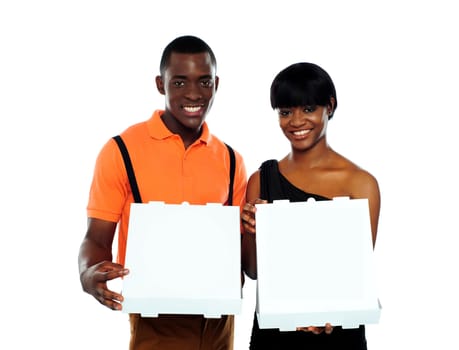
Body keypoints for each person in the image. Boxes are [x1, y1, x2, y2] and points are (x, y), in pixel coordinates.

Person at [78, 35, 247, 350]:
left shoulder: (231, 159)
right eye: (180, 83)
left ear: (217, 84)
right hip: (155, 323)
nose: (194, 94)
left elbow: (242, 251)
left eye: (204, 82)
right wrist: (88, 274)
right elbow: (97, 238)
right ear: (160, 84)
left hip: (219, 324)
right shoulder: (121, 150)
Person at [241, 62, 380, 349]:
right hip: (275, 334)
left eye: (307, 109)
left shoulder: (360, 184)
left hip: (337, 333)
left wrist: (328, 311)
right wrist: (251, 230)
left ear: (329, 106)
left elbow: (356, 276)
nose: (296, 121)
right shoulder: (261, 179)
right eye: (285, 112)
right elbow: (253, 271)